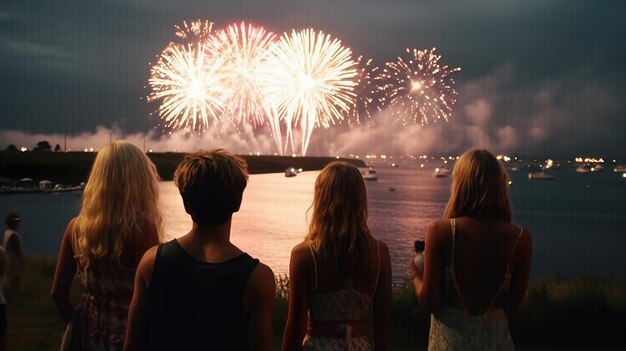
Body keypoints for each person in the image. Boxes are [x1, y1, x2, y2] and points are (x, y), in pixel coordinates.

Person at [124, 149, 276, 351]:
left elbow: (132, 345)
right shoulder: (258, 278)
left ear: (186, 203)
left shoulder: (152, 262)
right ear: (238, 202)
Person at [411, 149, 532, 350]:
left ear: (460, 185)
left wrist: (416, 276)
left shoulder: (441, 231)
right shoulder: (521, 238)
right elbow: (512, 308)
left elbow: (430, 301)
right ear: (499, 186)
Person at [51, 140, 163, 350]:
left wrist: (76, 324)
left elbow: (58, 292)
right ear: (138, 180)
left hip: (87, 338)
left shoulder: (75, 228)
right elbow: (156, 295)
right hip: (128, 340)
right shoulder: (142, 229)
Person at [282, 161, 392, 351]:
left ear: (321, 199)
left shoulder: (305, 255)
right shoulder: (380, 253)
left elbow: (295, 328)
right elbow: (383, 328)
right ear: (360, 199)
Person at [3, 212, 24, 297]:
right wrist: (22, 259)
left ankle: (11, 293)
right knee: (15, 277)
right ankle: (13, 294)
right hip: (13, 258)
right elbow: (17, 249)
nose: (17, 223)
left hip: (7, 256)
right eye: (15, 221)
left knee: (10, 276)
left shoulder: (7, 233)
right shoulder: (14, 235)